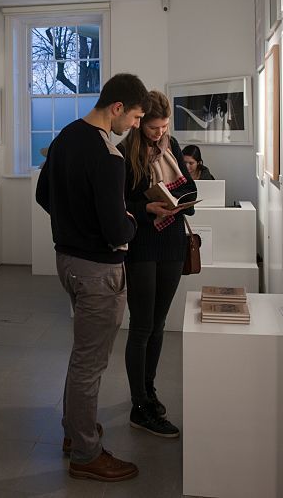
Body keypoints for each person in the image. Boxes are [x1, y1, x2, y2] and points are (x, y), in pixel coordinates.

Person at [36, 73, 151, 482]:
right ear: (117, 108)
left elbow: (42, 196)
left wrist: (74, 224)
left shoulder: (65, 136)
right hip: (98, 270)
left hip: (66, 261)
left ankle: (75, 431)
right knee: (90, 362)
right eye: (136, 117)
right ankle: (86, 453)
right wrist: (133, 221)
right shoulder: (108, 156)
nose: (135, 126)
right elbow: (117, 230)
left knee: (82, 354)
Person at [117, 91, 197, 438]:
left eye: (163, 127)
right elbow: (123, 202)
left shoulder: (172, 144)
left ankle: (149, 391)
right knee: (141, 326)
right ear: (139, 122)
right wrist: (148, 208)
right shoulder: (123, 152)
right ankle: (139, 405)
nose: (158, 133)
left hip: (172, 242)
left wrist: (180, 200)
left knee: (159, 323)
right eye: (152, 127)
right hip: (142, 244)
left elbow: (190, 194)